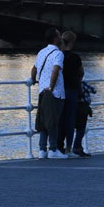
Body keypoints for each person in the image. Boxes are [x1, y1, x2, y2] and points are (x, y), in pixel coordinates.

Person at [31, 27, 67, 159]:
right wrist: (51, 87)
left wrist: (33, 80)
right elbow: (56, 70)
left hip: (42, 92)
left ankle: (42, 150)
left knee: (44, 120)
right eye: (59, 36)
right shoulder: (58, 54)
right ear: (55, 38)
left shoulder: (41, 52)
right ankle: (53, 150)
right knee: (53, 121)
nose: (61, 38)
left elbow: (34, 68)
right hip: (55, 93)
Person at [56, 31, 84, 157]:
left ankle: (58, 147)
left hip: (59, 90)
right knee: (70, 120)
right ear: (72, 42)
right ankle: (69, 148)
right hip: (72, 90)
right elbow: (81, 73)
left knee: (60, 119)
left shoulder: (58, 56)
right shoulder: (75, 57)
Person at [73, 79, 95, 158]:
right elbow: (93, 90)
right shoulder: (82, 83)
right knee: (81, 129)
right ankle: (77, 147)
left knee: (73, 128)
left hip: (74, 107)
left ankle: (74, 148)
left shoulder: (70, 83)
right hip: (83, 107)